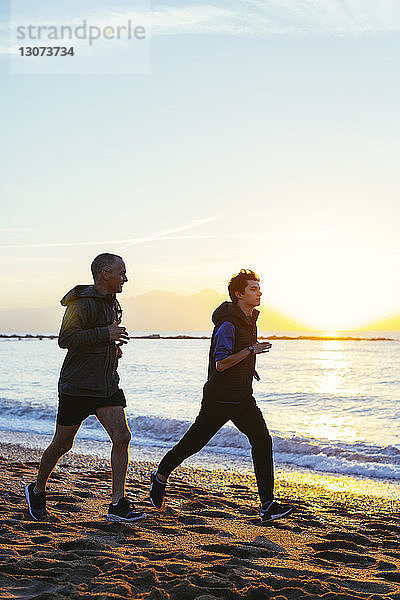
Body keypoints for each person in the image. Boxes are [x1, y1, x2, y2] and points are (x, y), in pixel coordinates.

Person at [150, 269, 294, 524]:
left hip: (242, 398)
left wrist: (250, 368)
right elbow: (221, 363)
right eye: (253, 289)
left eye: (259, 288)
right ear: (239, 294)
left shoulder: (250, 320)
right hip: (218, 399)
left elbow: (238, 357)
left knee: (262, 440)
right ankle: (160, 476)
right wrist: (251, 351)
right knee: (193, 444)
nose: (259, 293)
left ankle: (267, 505)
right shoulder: (228, 323)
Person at [25, 253, 146, 523]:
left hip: (106, 385)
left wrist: (112, 349)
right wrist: (106, 334)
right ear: (105, 273)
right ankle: (37, 490)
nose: (126, 277)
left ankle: (117, 503)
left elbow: (99, 338)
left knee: (122, 437)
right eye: (121, 272)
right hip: (77, 386)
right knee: (63, 443)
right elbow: (66, 339)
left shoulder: (113, 302)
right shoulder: (79, 303)